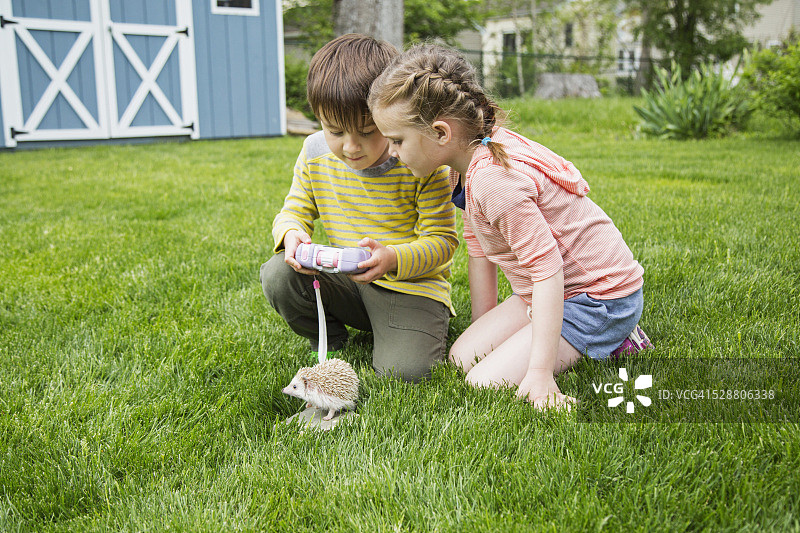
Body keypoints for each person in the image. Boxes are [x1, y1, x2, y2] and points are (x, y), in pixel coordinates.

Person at [367, 44, 652, 409]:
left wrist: (540, 375)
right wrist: (483, 328)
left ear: (440, 133)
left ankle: (619, 338)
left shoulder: (493, 180)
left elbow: (547, 270)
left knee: (484, 383)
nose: (391, 152)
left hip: (596, 299)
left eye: (397, 140)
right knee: (462, 358)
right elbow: (479, 249)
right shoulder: (465, 160)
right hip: (544, 293)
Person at [260, 35, 458, 382]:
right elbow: (293, 210)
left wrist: (392, 259)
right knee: (279, 274)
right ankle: (331, 338)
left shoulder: (421, 160)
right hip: (347, 282)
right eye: (335, 131)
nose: (351, 147)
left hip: (409, 287)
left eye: (367, 131)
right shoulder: (314, 152)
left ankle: (405, 332)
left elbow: (442, 242)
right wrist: (291, 233)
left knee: (405, 374)